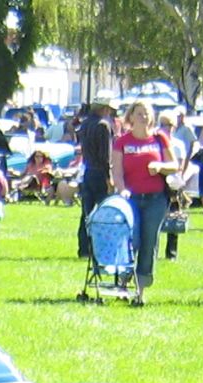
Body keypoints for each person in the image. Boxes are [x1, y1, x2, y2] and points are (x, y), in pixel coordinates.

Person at [111, 101, 177, 305]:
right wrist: (121, 189)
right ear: (130, 117)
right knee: (132, 239)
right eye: (139, 113)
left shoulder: (159, 138)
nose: (143, 117)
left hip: (155, 199)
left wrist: (160, 166)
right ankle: (122, 281)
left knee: (149, 242)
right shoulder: (122, 142)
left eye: (147, 113)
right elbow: (117, 171)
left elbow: (174, 165)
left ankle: (140, 292)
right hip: (131, 199)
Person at [76, 100, 116, 257]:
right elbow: (105, 155)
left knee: (87, 212)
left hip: (88, 171)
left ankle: (84, 248)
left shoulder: (85, 124)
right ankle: (100, 246)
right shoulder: (103, 126)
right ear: (105, 109)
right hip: (100, 172)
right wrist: (109, 178)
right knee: (103, 211)